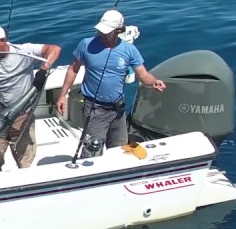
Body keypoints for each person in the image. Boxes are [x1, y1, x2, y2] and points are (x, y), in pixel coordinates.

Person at [57, 9, 165, 152]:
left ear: (118, 30)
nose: (102, 34)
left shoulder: (129, 50)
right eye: (101, 30)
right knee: (92, 150)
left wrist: (154, 82)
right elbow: (73, 69)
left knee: (119, 150)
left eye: (107, 32)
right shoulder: (86, 44)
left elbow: (143, 75)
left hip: (117, 111)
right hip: (94, 110)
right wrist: (62, 95)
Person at [0, 24, 61, 172]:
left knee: (24, 161)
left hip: (22, 115)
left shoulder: (24, 51)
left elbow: (54, 49)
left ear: (3, 40)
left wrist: (43, 70)